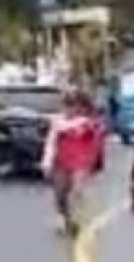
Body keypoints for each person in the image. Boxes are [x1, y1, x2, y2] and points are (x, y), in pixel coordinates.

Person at [42, 89, 102, 237]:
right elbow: (51, 143)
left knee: (76, 191)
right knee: (60, 193)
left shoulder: (88, 123)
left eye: (75, 105)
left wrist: (94, 163)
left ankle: (75, 220)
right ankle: (64, 217)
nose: (71, 109)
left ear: (82, 107)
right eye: (68, 105)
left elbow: (96, 141)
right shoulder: (57, 123)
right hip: (61, 162)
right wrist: (47, 162)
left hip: (81, 164)